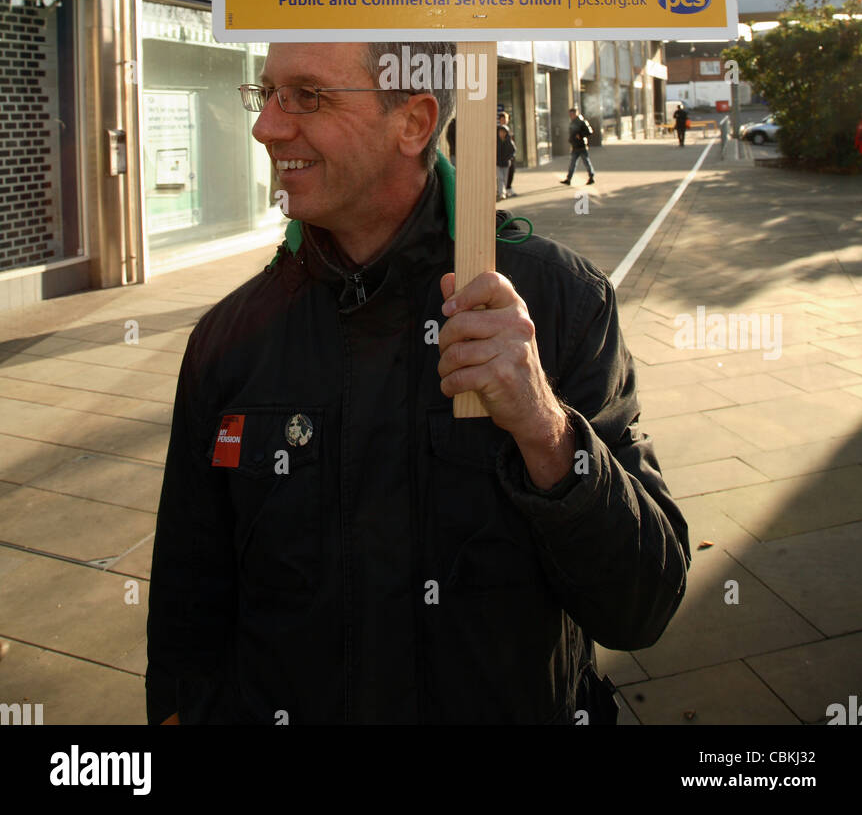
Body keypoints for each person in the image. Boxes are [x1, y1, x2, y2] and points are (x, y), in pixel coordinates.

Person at [146, 41, 689, 726]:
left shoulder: (558, 304)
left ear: (414, 121)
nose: (266, 126)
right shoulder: (230, 339)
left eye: (307, 96)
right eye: (267, 94)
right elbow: (185, 613)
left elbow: (643, 604)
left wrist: (544, 427)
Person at [560, 107, 595, 186]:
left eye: (572, 114)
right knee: (572, 163)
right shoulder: (572, 122)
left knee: (586, 162)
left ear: (575, 114)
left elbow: (589, 131)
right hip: (575, 147)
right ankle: (568, 179)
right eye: (570, 114)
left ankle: (591, 177)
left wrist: (581, 135)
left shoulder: (581, 122)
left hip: (582, 146)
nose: (570, 115)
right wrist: (571, 140)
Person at [498, 107, 516, 196]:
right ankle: (502, 191)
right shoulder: (497, 130)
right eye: (502, 119)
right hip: (500, 158)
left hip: (508, 158)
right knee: (500, 176)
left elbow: (512, 146)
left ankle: (507, 188)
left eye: (506, 119)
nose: (505, 120)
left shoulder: (509, 130)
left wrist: (512, 155)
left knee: (509, 174)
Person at [496, 122, 515, 201]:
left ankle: (504, 191)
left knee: (505, 179)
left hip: (506, 163)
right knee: (500, 178)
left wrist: (510, 157)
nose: (501, 133)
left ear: (506, 133)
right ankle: (502, 193)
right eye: (500, 132)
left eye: (503, 132)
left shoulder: (509, 142)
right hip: (498, 163)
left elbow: (513, 151)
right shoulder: (496, 141)